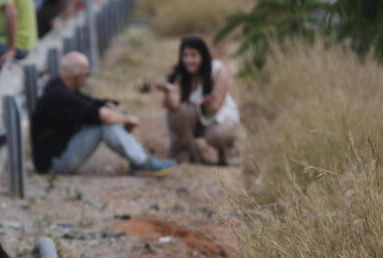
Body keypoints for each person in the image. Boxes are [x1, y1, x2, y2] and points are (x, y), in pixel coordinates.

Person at [32, 52, 176, 175]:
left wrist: (109, 105)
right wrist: (126, 118)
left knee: (107, 118)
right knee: (103, 124)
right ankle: (142, 162)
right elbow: (98, 115)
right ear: (76, 75)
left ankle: (140, 159)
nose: (85, 79)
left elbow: (86, 102)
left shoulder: (59, 86)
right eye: (85, 75)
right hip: (55, 164)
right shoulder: (59, 95)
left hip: (60, 151)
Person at [154, 37, 241, 165]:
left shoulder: (217, 70)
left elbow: (215, 107)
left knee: (219, 135)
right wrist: (168, 91)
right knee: (180, 111)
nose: (189, 60)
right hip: (192, 120)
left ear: (202, 55)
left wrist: (206, 104)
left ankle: (227, 151)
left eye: (194, 55)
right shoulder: (179, 73)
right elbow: (174, 106)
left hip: (215, 117)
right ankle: (185, 152)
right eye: (185, 56)